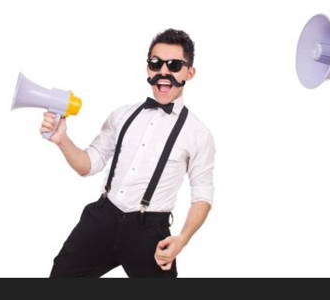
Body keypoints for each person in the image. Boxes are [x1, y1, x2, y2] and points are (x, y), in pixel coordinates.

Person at [42, 29, 215, 278]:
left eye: (174, 65)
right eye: (156, 63)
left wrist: (182, 239)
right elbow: (88, 165)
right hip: (102, 216)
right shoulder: (122, 115)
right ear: (148, 69)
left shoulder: (198, 134)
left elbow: (202, 196)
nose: (163, 72)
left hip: (149, 231)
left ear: (190, 72)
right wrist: (62, 139)